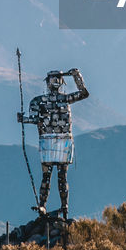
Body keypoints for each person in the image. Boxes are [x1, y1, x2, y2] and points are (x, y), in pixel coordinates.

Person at [18, 67, 88, 216]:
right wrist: (23, 119)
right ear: (48, 82)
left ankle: (61, 207)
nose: (55, 82)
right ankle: (52, 207)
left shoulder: (45, 101)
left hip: (59, 141)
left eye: (58, 79)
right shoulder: (40, 101)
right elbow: (36, 119)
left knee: (57, 177)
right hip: (53, 140)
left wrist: (76, 75)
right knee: (53, 177)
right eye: (53, 79)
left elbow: (84, 94)